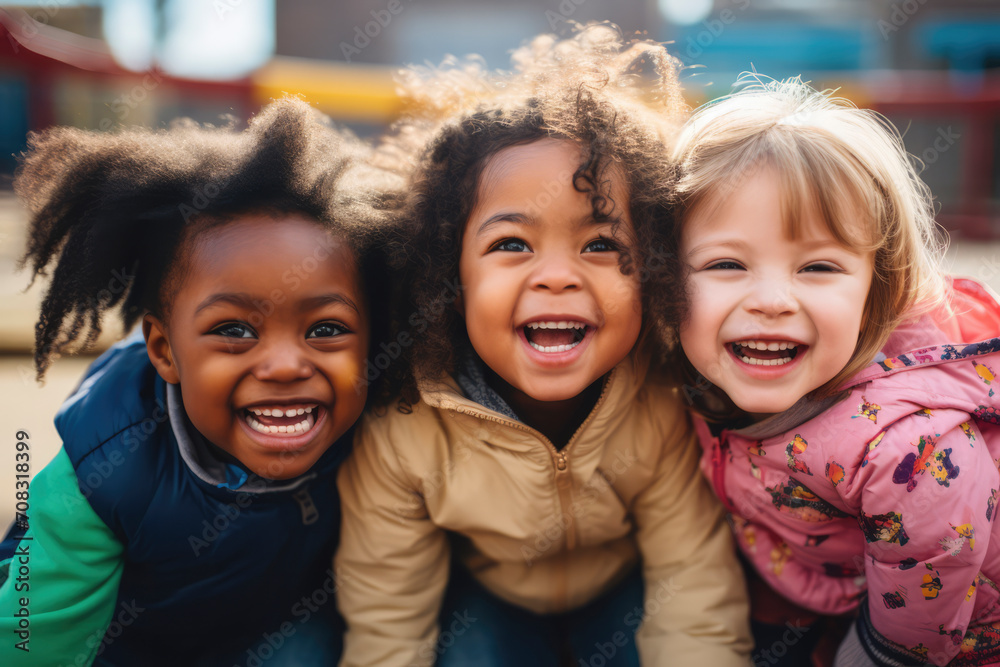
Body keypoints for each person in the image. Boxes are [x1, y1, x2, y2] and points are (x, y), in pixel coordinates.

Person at [334, 25, 752, 667]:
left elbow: (692, 580)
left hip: (623, 588)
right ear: (448, 277)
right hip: (488, 596)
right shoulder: (405, 424)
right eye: (511, 245)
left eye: (601, 245)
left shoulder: (664, 396)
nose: (557, 275)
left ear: (655, 269)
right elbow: (389, 611)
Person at [0, 97, 403, 666]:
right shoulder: (104, 472)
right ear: (164, 351)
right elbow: (30, 641)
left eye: (327, 328)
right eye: (235, 329)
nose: (286, 365)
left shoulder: (386, 431)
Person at [674, 76, 1000, 667]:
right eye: (726, 263)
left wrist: (872, 654)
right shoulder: (689, 378)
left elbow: (925, 602)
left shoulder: (908, 448)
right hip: (817, 588)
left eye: (818, 267)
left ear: (878, 291)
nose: (772, 299)